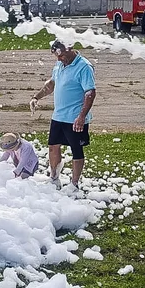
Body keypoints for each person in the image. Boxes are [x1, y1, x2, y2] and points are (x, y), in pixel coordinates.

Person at [29, 40, 96, 192]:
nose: (59, 59)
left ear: (70, 49)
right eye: (57, 57)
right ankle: (54, 178)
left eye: (62, 55)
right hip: (58, 115)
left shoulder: (84, 67)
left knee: (76, 150)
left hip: (74, 117)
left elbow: (90, 94)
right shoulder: (59, 64)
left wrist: (81, 117)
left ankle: (74, 184)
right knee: (53, 147)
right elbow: (52, 84)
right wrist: (36, 97)